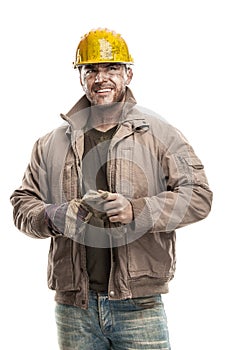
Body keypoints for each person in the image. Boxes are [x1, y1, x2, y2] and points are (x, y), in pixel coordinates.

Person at [10, 28, 213, 350]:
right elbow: (22, 204)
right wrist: (55, 216)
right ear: (80, 77)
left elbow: (199, 196)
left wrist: (138, 210)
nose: (101, 78)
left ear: (128, 74)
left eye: (112, 69)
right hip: (74, 306)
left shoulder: (161, 134)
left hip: (139, 303)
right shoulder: (50, 143)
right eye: (91, 70)